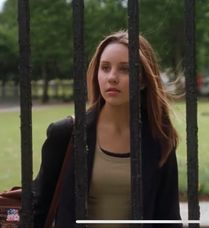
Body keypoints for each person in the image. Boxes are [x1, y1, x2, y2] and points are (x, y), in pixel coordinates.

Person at [33, 30, 182, 228]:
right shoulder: (66, 134)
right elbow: (38, 207)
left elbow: (168, 218)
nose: (112, 77)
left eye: (125, 69)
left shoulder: (160, 139)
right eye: (105, 68)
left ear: (144, 81)